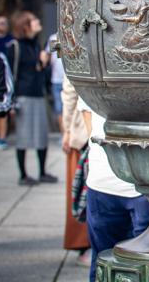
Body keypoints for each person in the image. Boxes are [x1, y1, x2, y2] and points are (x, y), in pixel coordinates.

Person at [79, 99, 149, 282]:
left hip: (142, 187)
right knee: (106, 260)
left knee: (144, 263)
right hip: (108, 184)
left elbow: (86, 114)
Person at [7, 10, 57, 185]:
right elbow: (10, 75)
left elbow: (38, 70)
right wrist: (10, 102)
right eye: (34, 20)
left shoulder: (36, 45)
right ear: (25, 25)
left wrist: (43, 63)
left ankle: (42, 172)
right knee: (24, 136)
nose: (37, 22)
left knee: (41, 135)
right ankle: (23, 175)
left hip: (38, 94)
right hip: (23, 96)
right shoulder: (15, 46)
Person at [61, 76, 91, 266]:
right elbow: (70, 92)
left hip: (82, 127)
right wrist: (68, 129)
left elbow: (69, 91)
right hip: (83, 129)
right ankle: (84, 245)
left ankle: (84, 245)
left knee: (81, 191)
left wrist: (67, 128)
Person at [0, 13, 13, 150]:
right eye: (1, 23)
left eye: (5, 23)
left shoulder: (11, 40)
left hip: (5, 76)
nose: (4, 25)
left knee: (2, 110)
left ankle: (1, 138)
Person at [46, 33, 65, 132]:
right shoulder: (53, 37)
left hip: (70, 79)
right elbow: (49, 56)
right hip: (57, 79)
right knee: (59, 109)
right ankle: (64, 134)